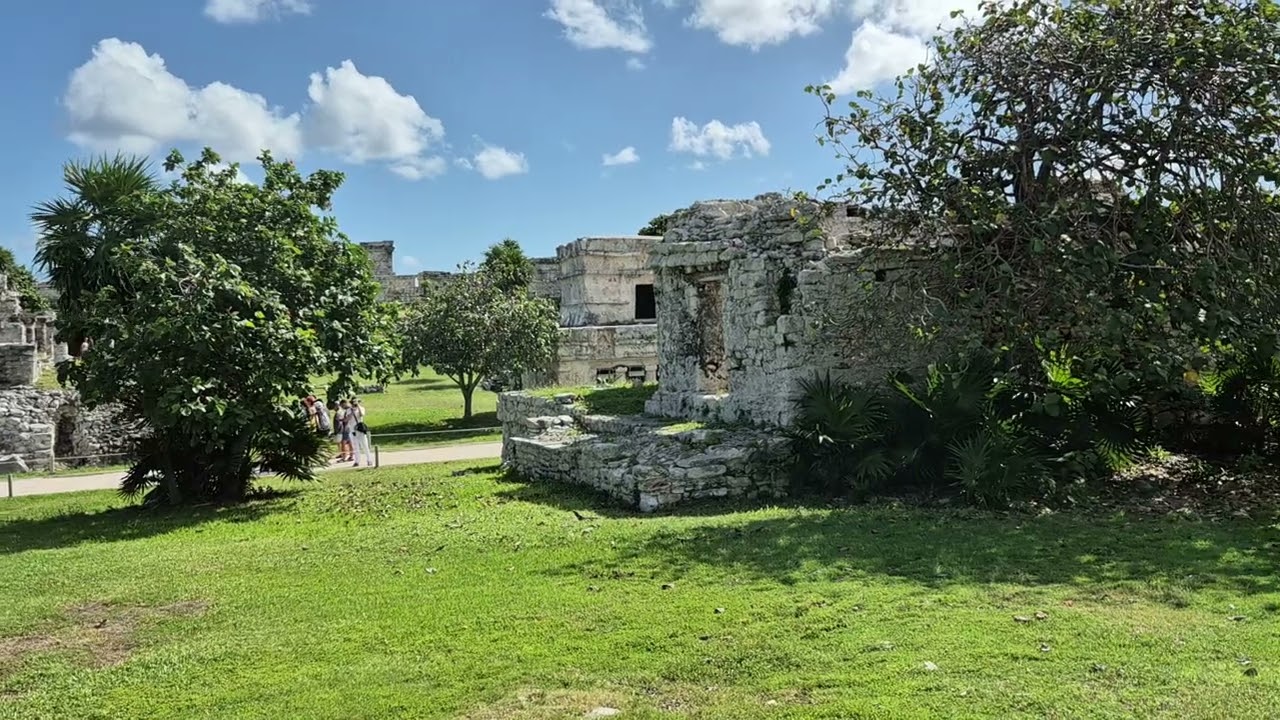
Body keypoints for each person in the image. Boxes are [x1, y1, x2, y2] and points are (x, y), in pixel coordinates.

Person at [350, 397, 372, 468]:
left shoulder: (361, 408)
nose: (354, 404)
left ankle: (369, 460)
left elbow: (362, 414)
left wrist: (358, 406)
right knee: (355, 446)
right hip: (352, 430)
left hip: (360, 429)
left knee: (364, 445)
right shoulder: (349, 410)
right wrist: (351, 411)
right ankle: (357, 461)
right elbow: (347, 419)